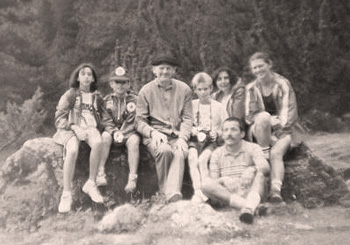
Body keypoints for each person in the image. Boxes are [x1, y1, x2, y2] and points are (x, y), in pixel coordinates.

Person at [245, 51, 304, 203]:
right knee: (263, 117)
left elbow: (290, 112)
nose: (258, 70)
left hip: (285, 129)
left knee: (277, 152)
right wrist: (269, 120)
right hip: (260, 129)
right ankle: (264, 154)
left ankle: (275, 191)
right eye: (255, 68)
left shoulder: (282, 84)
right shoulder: (251, 88)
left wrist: (278, 133)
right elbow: (249, 116)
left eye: (261, 66)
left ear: (269, 65)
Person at [136, 53, 193, 203]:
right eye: (161, 68)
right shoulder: (145, 91)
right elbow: (139, 121)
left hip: (177, 135)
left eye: (168, 68)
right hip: (155, 136)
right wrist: (152, 132)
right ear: (154, 70)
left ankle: (171, 194)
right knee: (164, 151)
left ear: (174, 71)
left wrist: (182, 138)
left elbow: (188, 118)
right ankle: (165, 192)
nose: (165, 72)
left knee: (180, 153)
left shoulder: (184, 89)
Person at [53, 63, 109, 213]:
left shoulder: (97, 97)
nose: (86, 77)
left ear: (93, 79)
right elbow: (59, 118)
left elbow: (104, 118)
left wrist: (110, 130)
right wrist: (74, 127)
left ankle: (91, 182)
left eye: (89, 74)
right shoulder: (70, 95)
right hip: (72, 129)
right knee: (71, 151)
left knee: (98, 142)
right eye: (83, 74)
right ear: (77, 77)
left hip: (91, 129)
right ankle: (66, 193)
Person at [202, 117, 270, 224]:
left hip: (250, 190)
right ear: (222, 134)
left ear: (242, 134)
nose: (229, 134)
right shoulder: (216, 153)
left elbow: (265, 167)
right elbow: (214, 181)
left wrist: (252, 169)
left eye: (233, 130)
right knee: (205, 184)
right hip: (230, 194)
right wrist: (223, 179)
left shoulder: (253, 147)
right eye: (225, 130)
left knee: (260, 175)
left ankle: (249, 206)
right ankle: (250, 207)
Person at [98, 66, 140, 193]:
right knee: (104, 137)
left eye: (123, 82)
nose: (120, 86)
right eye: (117, 82)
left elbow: (133, 120)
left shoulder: (135, 100)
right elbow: (106, 119)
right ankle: (100, 172)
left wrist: (123, 133)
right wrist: (113, 132)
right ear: (111, 84)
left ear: (128, 84)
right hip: (112, 133)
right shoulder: (106, 101)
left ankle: (132, 178)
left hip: (128, 133)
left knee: (134, 141)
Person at [188, 72, 227, 203]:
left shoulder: (218, 107)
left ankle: (206, 190)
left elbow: (225, 127)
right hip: (195, 141)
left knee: (203, 160)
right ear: (195, 90)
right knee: (192, 158)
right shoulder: (191, 105)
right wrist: (194, 130)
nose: (203, 92)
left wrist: (218, 134)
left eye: (206, 89)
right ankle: (197, 190)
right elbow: (186, 123)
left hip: (212, 142)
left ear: (211, 88)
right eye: (200, 89)